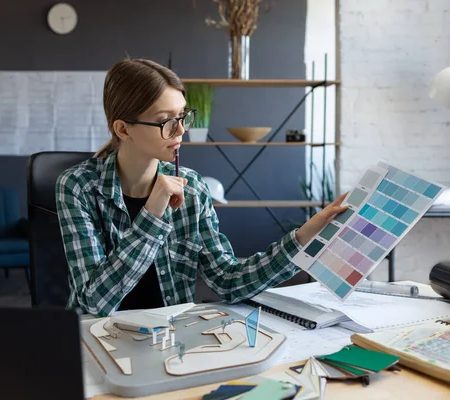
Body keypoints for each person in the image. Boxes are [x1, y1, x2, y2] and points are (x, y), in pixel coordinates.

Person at [56, 58, 347, 317]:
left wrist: (304, 237)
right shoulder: (77, 187)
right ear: (123, 129)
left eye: (183, 116)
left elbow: (228, 281)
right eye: (166, 121)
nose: (181, 130)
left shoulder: (191, 187)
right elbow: (95, 302)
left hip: (170, 342)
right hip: (98, 342)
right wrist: (152, 214)